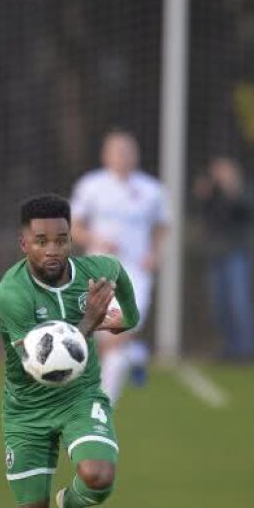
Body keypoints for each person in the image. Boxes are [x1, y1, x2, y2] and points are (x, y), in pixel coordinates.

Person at [0, 194, 138, 508]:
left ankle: (73, 506)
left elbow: (122, 284)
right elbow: (44, 364)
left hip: (80, 396)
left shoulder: (97, 272)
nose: (52, 249)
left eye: (61, 239)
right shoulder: (12, 293)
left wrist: (125, 317)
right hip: (26, 408)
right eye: (41, 241)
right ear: (24, 244)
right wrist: (89, 324)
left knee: (99, 476)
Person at [69, 130, 169, 407]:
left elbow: (163, 226)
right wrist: (95, 239)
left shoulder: (152, 190)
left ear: (136, 155)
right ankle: (134, 354)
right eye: (117, 151)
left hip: (135, 273)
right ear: (105, 155)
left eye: (128, 151)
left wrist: (154, 253)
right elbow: (74, 227)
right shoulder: (91, 186)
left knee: (118, 336)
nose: (123, 157)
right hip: (98, 272)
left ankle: (102, 406)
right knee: (104, 342)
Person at [192, 156, 254, 361]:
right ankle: (229, 347)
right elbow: (202, 213)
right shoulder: (212, 193)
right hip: (215, 254)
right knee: (219, 305)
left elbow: (250, 210)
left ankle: (246, 350)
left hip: (237, 253)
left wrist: (232, 188)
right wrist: (203, 193)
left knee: (239, 302)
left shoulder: (242, 191)